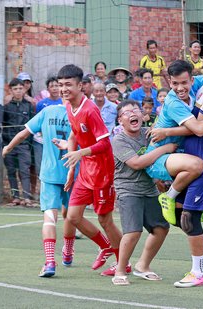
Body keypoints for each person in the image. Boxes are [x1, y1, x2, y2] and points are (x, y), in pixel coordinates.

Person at [147, 55, 203, 288]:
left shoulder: (197, 83)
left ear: (190, 78)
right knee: (195, 172)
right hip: (164, 158)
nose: (180, 88)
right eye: (174, 84)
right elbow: (197, 129)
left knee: (181, 217)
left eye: (184, 83)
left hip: (182, 157)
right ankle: (170, 196)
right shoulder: (174, 101)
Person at [57, 64, 122, 276]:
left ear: (80, 86)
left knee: (105, 220)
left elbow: (105, 144)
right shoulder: (68, 106)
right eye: (61, 85)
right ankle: (105, 247)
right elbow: (75, 134)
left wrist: (80, 154)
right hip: (85, 170)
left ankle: (123, 263)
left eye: (68, 84)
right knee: (73, 216)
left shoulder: (91, 109)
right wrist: (71, 168)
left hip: (102, 172)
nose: (64, 89)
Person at [2, 100, 76, 277]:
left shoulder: (47, 111)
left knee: (50, 217)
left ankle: (50, 261)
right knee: (70, 217)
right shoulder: (80, 114)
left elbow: (23, 134)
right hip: (73, 172)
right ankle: (67, 251)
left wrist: (8, 147)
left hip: (50, 173)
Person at [111, 100, 174, 285]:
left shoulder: (148, 134)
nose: (132, 114)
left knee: (161, 228)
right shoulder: (119, 140)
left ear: (142, 115)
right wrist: (165, 149)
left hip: (149, 189)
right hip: (128, 190)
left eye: (135, 110)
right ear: (120, 121)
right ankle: (120, 271)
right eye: (126, 112)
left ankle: (143, 266)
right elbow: (137, 163)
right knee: (133, 232)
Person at [3, 78, 34, 206]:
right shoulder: (6, 107)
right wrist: (6, 143)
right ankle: (15, 196)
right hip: (9, 144)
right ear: (10, 91)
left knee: (24, 170)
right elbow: (2, 124)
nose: (18, 91)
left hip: (24, 145)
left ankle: (27, 197)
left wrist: (28, 142)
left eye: (20, 88)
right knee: (11, 171)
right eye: (15, 89)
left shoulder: (29, 105)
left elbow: (32, 125)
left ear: (24, 89)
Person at [33, 76, 63, 176]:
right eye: (52, 86)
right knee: (41, 167)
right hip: (42, 140)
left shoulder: (64, 102)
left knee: (58, 166)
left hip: (59, 140)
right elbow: (38, 122)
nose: (54, 88)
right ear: (47, 89)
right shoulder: (41, 104)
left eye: (57, 86)